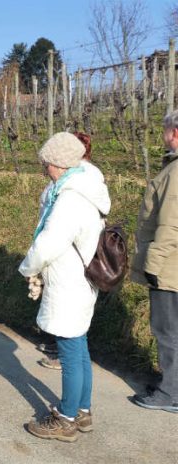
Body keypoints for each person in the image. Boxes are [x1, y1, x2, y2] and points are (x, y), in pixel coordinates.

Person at [19, 132, 110, 442]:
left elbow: (49, 243)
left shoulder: (70, 198)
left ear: (57, 163)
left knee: (70, 352)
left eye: (46, 164)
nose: (45, 169)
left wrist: (27, 267)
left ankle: (66, 418)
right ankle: (82, 412)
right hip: (81, 279)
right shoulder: (86, 188)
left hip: (68, 281)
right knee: (79, 347)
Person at [131, 111, 178, 413]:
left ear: (175, 133)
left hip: (169, 266)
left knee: (167, 330)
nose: (163, 135)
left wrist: (153, 263)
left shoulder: (175, 173)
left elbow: (170, 224)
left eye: (165, 130)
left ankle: (170, 393)